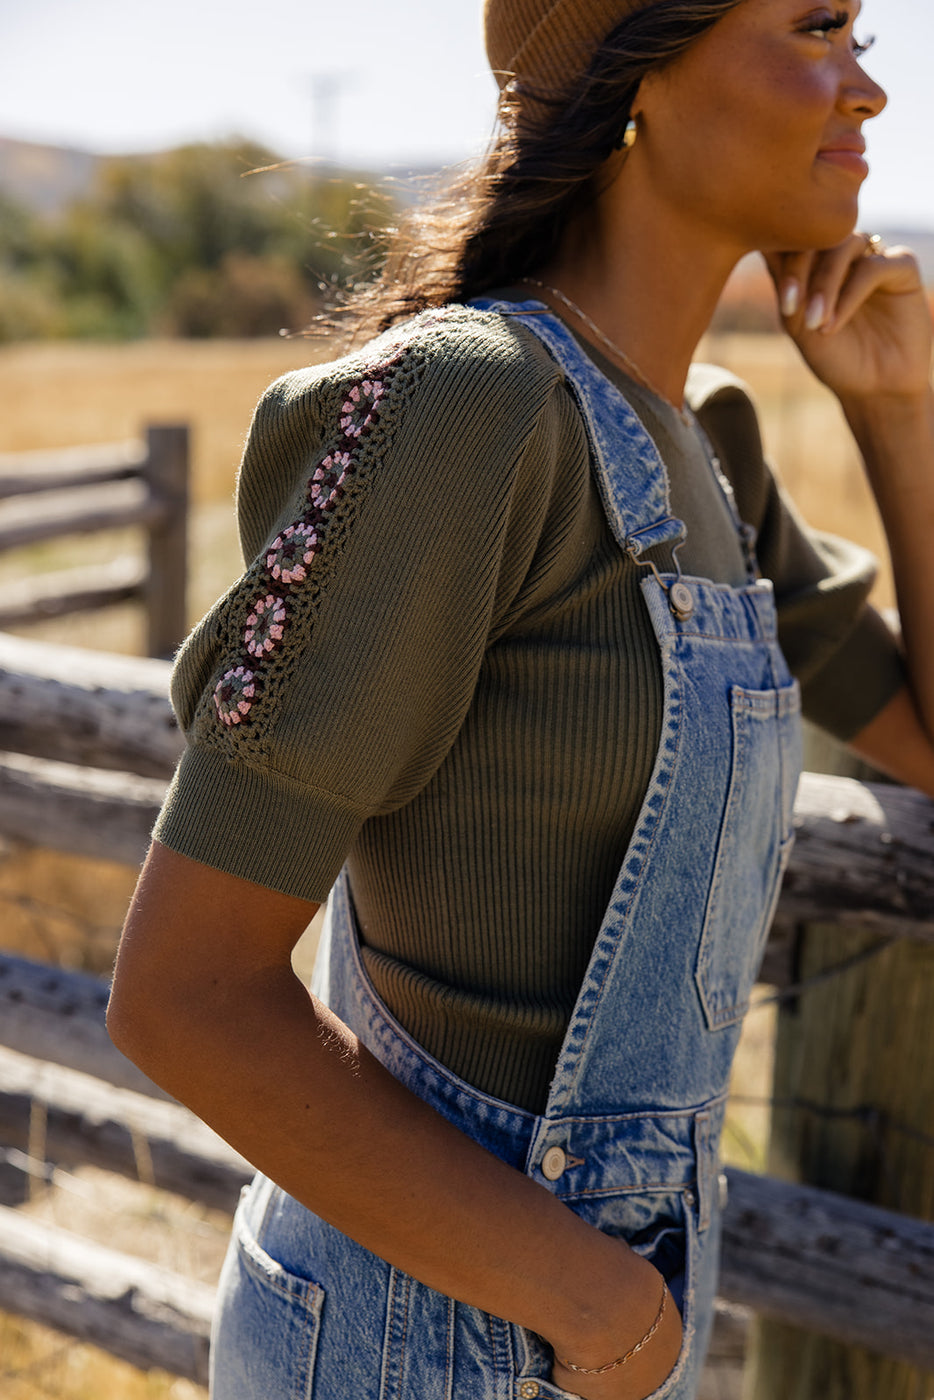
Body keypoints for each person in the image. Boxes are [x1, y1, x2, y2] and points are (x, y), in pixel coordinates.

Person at [107, 0, 934, 1396]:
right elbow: (183, 993)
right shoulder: (467, 407)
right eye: (814, 26)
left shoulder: (713, 443)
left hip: (583, 1331)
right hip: (424, 1341)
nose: (866, 91)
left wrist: (896, 414)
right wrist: (595, 1305)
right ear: (637, 80)